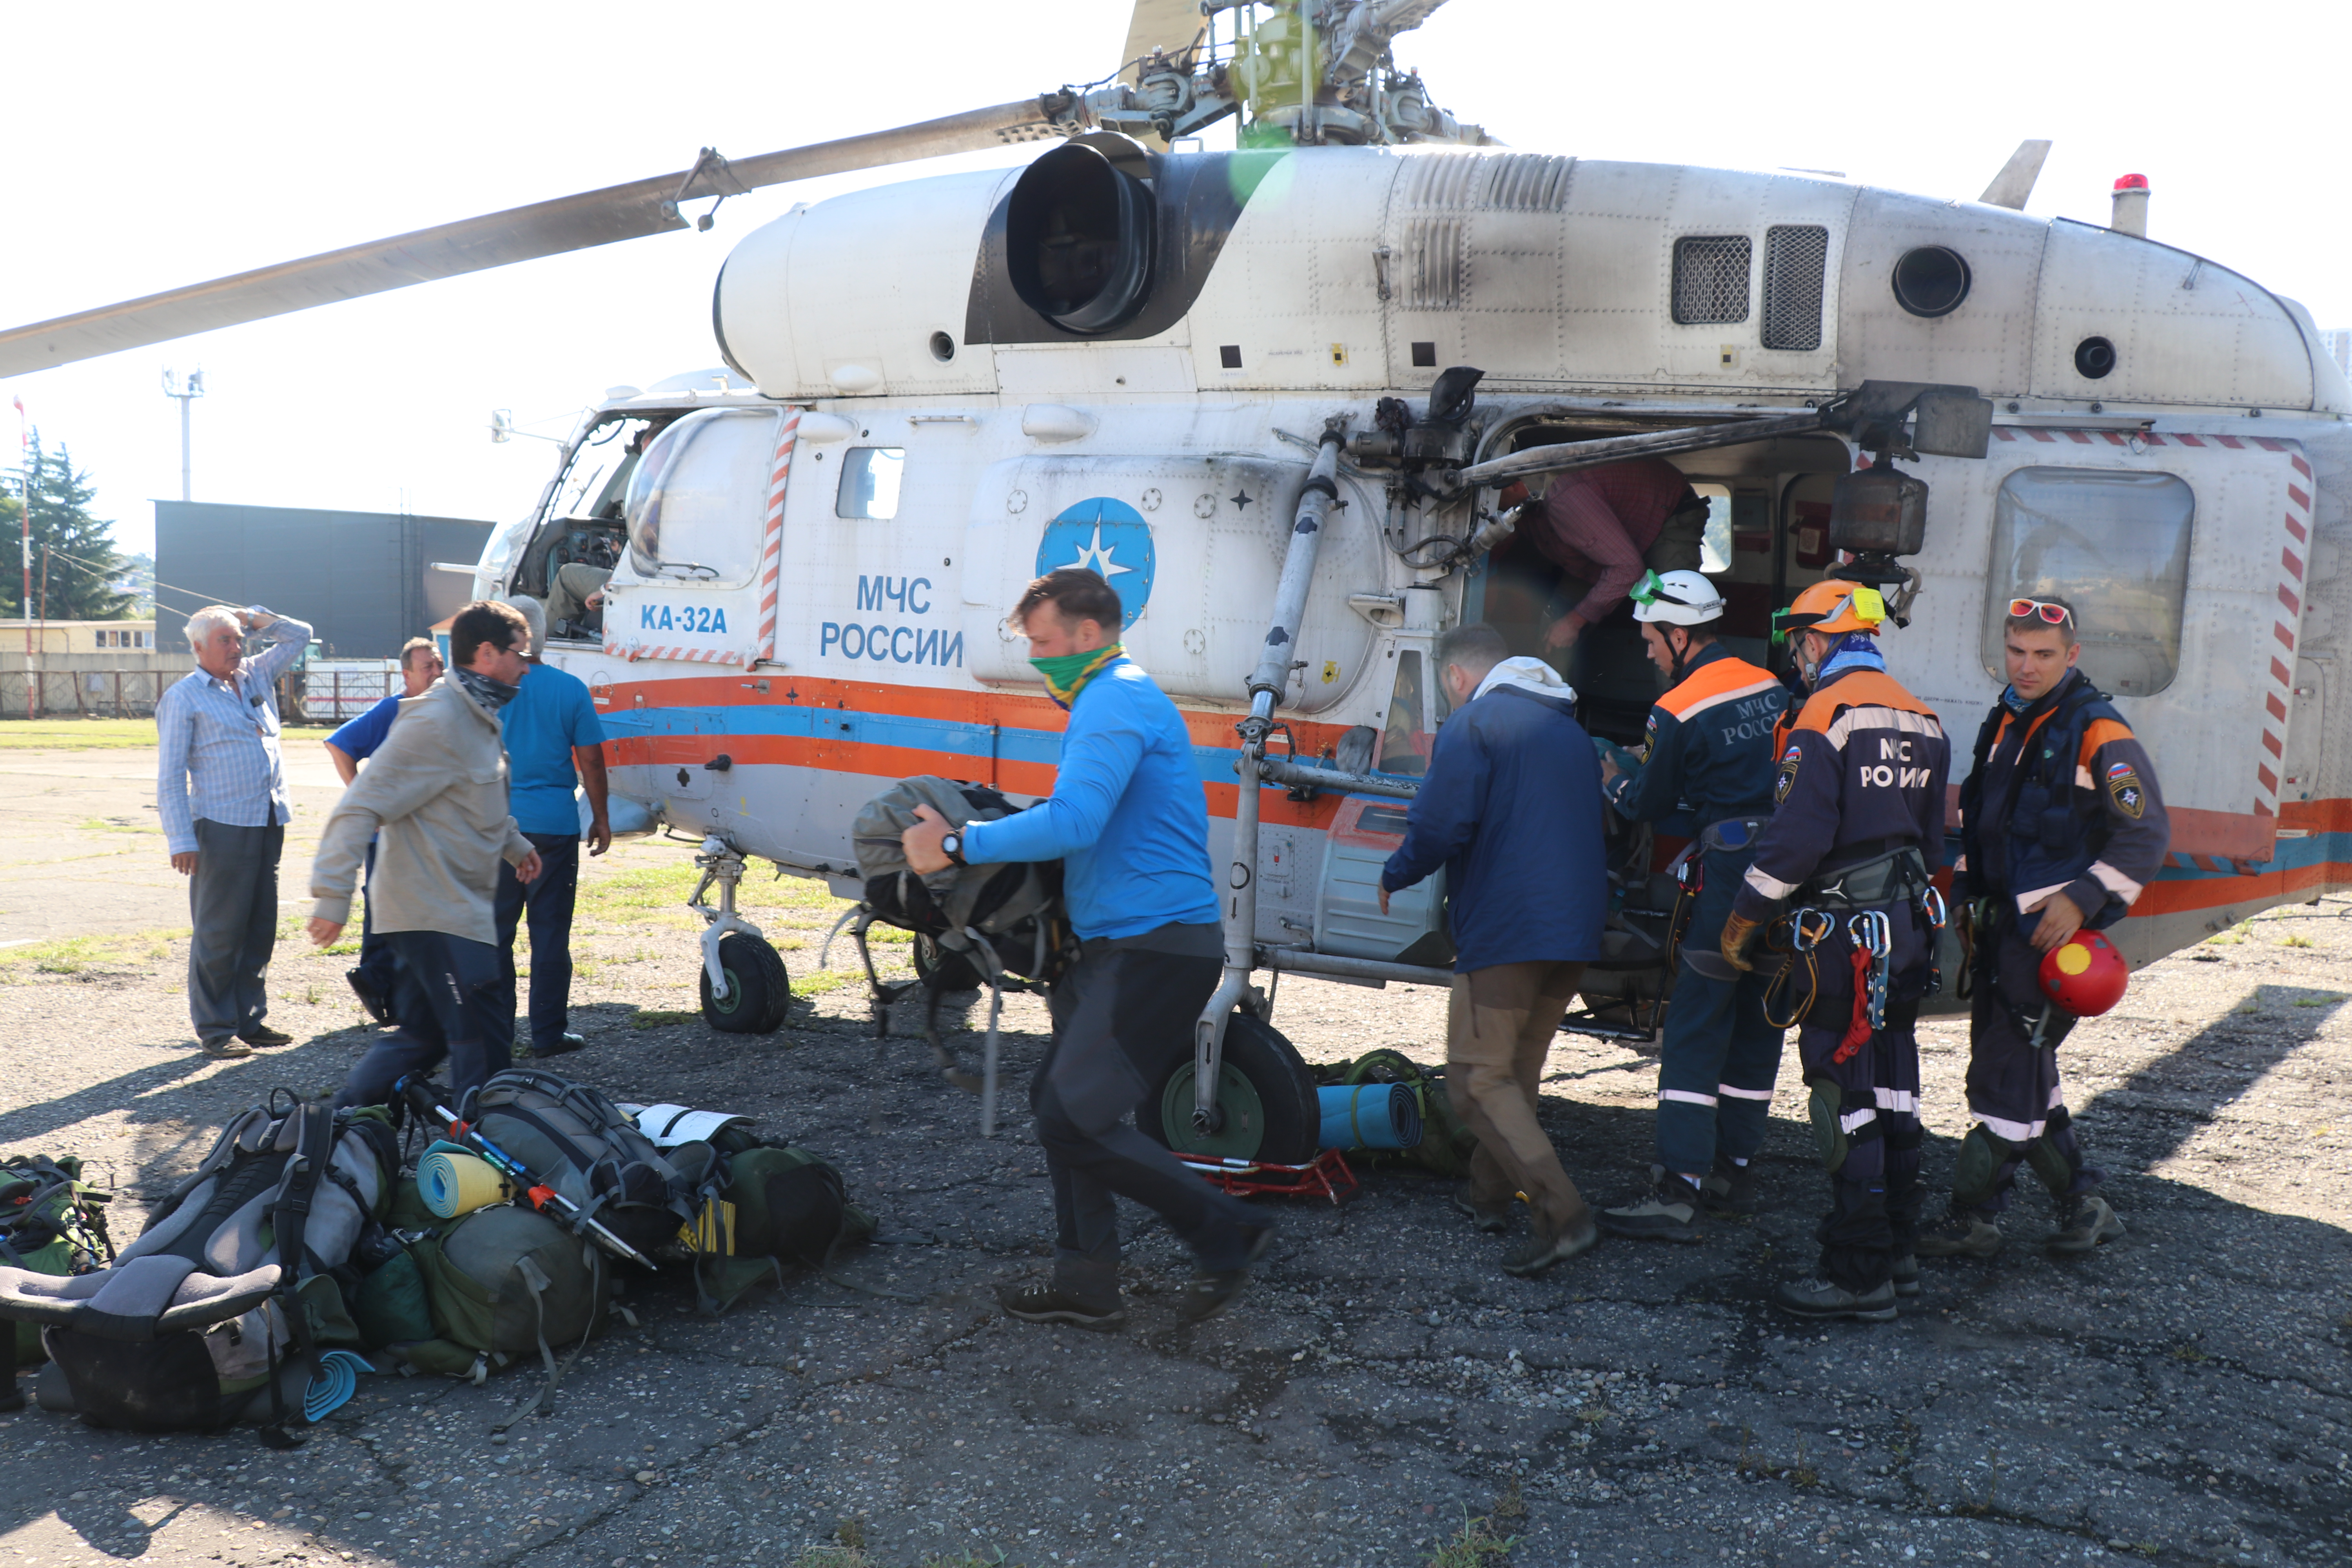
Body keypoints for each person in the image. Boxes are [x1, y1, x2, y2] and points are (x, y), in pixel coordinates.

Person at [900, 568, 1272, 1329]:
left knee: (1073, 1114)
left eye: (1044, 642)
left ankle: (1221, 1229)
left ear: (1089, 634)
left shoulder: (1113, 697)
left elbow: (1074, 821)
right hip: (1117, 945)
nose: (1038, 659)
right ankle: (1088, 1278)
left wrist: (957, 841)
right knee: (1062, 1106)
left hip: (1157, 946)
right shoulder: (1114, 696)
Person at [1721, 579, 1949, 1322]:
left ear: (1818, 640)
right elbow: (1934, 843)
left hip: (1846, 940)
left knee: (1841, 1099)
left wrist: (1743, 918)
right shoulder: (1923, 716)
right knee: (1895, 1092)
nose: (1797, 656)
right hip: (1909, 930)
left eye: (1800, 642)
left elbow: (1796, 840)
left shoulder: (1824, 713)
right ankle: (1899, 1251)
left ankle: (1857, 1275)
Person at [1918, 595, 2169, 1259]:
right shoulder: (2008, 720)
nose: (2027, 667)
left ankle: (1974, 1216)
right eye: (2017, 652)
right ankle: (2084, 1203)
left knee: (2003, 1076)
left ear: (2072, 656)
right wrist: (1969, 897)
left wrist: (2083, 900)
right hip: (2001, 930)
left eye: (2043, 656)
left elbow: (2145, 836)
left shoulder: (2098, 730)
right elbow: (1988, 826)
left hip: (2048, 941)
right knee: (2029, 1074)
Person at [1378, 623, 1610, 1276]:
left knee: (1474, 1080)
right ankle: (1488, 1196)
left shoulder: (1476, 723)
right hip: (1573, 932)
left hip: (1511, 928)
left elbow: (1439, 822)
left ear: (1458, 678)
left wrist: (1395, 873)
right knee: (1514, 1072)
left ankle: (1563, 1216)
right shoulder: (1569, 733)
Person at [1593, 570, 1792, 1243]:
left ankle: (1678, 1189)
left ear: (1680, 636)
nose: (1648, 651)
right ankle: (1734, 1171)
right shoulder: (1769, 684)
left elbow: (1648, 802)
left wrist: (1614, 776)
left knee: (1695, 1025)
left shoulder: (1676, 708)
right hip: (1786, 871)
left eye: (1652, 639)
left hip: (1732, 873)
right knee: (1760, 1019)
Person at [308, 601, 543, 1109]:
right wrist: (332, 897)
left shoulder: (477, 717)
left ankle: (339, 1123)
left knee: (426, 1035)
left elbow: (466, 800)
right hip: (435, 912)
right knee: (481, 1036)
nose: (526, 666)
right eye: (520, 654)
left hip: (448, 908)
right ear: (485, 653)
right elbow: (359, 806)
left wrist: (514, 845)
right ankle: (483, 1152)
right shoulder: (436, 720)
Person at [157, 603, 315, 1059]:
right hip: (221, 826)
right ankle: (215, 1028)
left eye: (238, 637)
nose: (236, 646)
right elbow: (170, 776)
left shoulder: (254, 675)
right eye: (224, 639)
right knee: (220, 930)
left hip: (267, 818)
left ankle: (250, 1020)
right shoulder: (184, 696)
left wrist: (256, 617)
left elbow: (300, 634)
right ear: (198, 648)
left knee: (260, 927)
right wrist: (182, 839)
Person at [492, 597, 611, 1059]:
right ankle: (547, 1033)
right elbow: (593, 761)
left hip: (495, 827)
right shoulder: (569, 688)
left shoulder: (486, 688)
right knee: (549, 936)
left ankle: (496, 1033)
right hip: (554, 829)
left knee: (497, 936)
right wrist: (600, 816)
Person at [323, 637, 445, 1022]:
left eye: (439, 664)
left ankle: (389, 985)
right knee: (390, 909)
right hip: (391, 834)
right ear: (406, 674)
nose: (437, 672)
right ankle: (377, 980)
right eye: (427, 667)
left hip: (425, 832)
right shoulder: (394, 709)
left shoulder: (440, 710)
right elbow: (340, 745)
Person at [1504, 458, 1710, 650]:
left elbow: (1628, 570)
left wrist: (1574, 621)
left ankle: (1684, 685)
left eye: (1494, 493)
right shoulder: (1519, 511)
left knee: (1673, 617)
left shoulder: (1564, 498)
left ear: (1516, 485)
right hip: (1609, 550)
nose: (1488, 502)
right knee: (1556, 623)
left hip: (1666, 511)